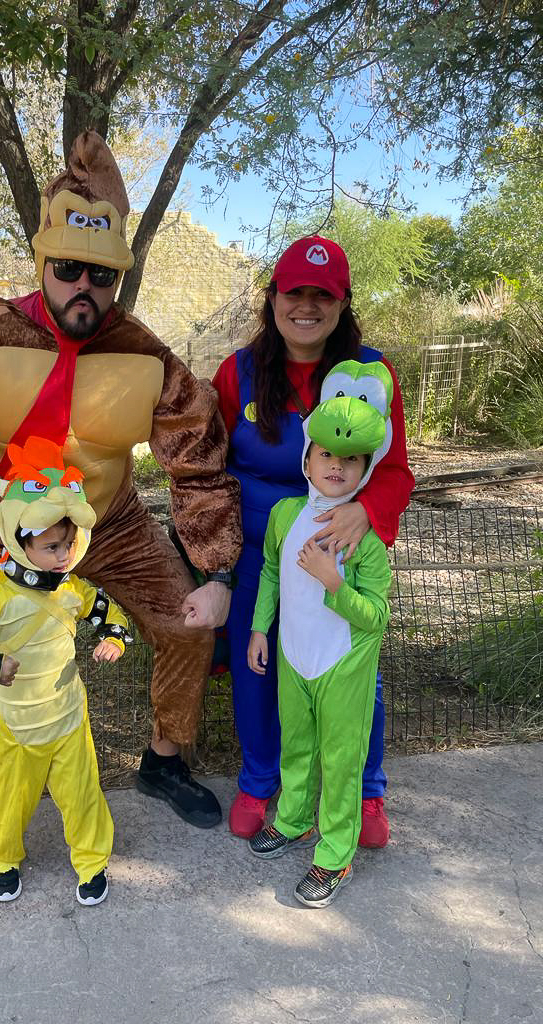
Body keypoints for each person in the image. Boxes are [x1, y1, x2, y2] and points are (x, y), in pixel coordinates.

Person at [0, 131, 242, 871]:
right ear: (43, 263)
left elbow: (201, 464)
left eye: (101, 274)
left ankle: (162, 762)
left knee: (188, 625)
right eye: (68, 269)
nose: (83, 288)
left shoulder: (148, 357)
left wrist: (217, 574)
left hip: (112, 521)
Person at [211, 236, 413, 842]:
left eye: (321, 296)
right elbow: (208, 472)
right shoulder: (238, 372)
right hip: (260, 557)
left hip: (340, 555)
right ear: (272, 298)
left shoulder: (370, 375)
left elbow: (397, 469)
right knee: (259, 669)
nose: (306, 305)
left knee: (353, 675)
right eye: (293, 291)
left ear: (342, 304)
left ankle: (366, 792)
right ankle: (260, 780)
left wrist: (366, 513)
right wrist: (217, 564)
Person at [0, 437, 129, 906]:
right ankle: (3, 860)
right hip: (15, 728)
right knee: (8, 802)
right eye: (51, 545)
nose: (63, 555)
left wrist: (115, 639)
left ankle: (92, 862)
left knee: (82, 798)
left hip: (67, 722)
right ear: (19, 540)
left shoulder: (74, 590)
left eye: (69, 543)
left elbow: (112, 614)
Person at [247, 361, 393, 907]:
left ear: (365, 469)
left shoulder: (367, 540)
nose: (336, 465)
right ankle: (292, 820)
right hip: (293, 654)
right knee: (297, 743)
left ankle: (335, 854)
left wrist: (335, 584)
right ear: (306, 458)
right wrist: (261, 627)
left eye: (350, 459)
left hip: (343, 665)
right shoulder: (286, 515)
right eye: (326, 454)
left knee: (341, 756)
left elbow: (376, 616)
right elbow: (268, 571)